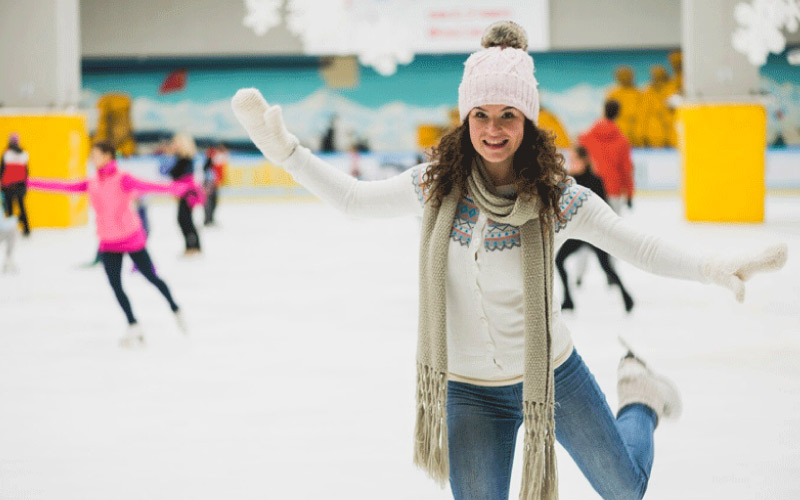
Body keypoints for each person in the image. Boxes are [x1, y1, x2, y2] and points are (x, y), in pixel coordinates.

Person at [231, 21, 787, 500]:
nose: (493, 130)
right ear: (465, 117)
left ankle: (640, 399)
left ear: (528, 123)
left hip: (553, 375)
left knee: (626, 489)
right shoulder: (433, 186)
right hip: (467, 389)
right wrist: (287, 152)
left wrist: (715, 267)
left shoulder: (557, 197)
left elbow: (638, 246)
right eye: (480, 114)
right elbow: (353, 200)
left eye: (508, 115)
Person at [27, 141, 198, 347]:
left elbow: (151, 186)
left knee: (151, 277)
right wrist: (28, 183)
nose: (92, 158)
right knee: (116, 286)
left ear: (108, 155)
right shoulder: (92, 182)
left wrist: (182, 187)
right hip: (108, 241)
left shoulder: (122, 179)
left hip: (131, 237)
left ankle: (175, 308)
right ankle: (133, 324)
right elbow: (64, 186)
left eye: (96, 154)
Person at [556, 145, 634, 312]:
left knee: (606, 266)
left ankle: (627, 297)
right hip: (577, 234)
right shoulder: (568, 181)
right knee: (558, 260)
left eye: (576, 160)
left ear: (585, 161)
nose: (572, 163)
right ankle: (568, 299)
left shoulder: (595, 181)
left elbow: (603, 209)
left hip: (594, 233)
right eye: (571, 160)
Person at [579, 99, 635, 214]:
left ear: (603, 110)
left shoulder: (585, 138)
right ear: (618, 113)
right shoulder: (622, 141)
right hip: (613, 189)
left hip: (589, 189)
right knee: (612, 228)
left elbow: (578, 164)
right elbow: (626, 169)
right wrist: (629, 194)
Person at [167, 133, 203, 255]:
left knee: (185, 220)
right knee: (185, 220)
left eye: (176, 142)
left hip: (187, 194)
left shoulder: (185, 159)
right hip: (184, 193)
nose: (173, 144)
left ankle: (192, 247)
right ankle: (193, 247)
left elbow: (174, 173)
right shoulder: (181, 158)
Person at [1, 133, 31, 236]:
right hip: (21, 186)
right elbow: (27, 172)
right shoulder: (23, 154)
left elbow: (2, 171)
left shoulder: (6, 153)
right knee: (22, 207)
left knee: (10, 209)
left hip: (8, 186)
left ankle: (11, 232)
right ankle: (26, 230)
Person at [203, 143, 228, 226]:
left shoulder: (215, 159)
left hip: (213, 183)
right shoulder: (211, 159)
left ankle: (210, 219)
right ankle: (208, 220)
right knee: (209, 202)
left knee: (212, 202)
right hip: (209, 183)